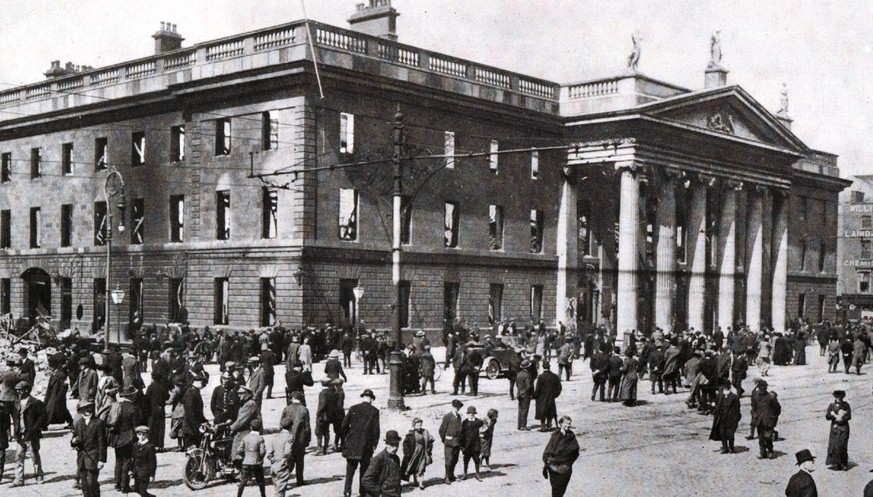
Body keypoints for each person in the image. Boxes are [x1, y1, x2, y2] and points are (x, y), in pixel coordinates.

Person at [341, 389, 380, 497]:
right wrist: (374, 446)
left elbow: (344, 425)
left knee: (350, 471)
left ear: (363, 397)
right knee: (364, 470)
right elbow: (376, 431)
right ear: (371, 399)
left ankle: (347, 491)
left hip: (352, 444)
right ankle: (362, 492)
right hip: (366, 446)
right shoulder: (374, 411)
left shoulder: (353, 408)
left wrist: (348, 438)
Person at [12, 381, 46, 487]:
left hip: (32, 435)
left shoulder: (36, 403)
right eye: (17, 389)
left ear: (26, 390)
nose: (18, 391)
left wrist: (35, 429)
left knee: (34, 455)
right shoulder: (16, 403)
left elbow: (43, 417)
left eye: (20, 389)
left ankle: (39, 475)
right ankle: (18, 479)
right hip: (20, 434)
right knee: (18, 456)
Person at [72, 401, 106, 497]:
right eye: (83, 409)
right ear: (80, 411)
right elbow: (74, 439)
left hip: (93, 457)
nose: (87, 411)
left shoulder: (98, 423)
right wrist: (73, 441)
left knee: (92, 483)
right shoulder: (79, 423)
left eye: (88, 408)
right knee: (84, 485)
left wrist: (101, 460)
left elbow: (102, 442)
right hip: (82, 458)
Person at [108, 385, 138, 492]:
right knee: (127, 461)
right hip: (127, 437)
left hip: (116, 437)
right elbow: (135, 426)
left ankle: (117, 482)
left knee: (118, 460)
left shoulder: (117, 406)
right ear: (131, 396)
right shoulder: (132, 408)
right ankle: (124, 485)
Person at [279, 390, 311, 487]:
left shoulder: (286, 409)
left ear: (292, 398)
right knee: (300, 461)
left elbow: (281, 424)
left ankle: (283, 480)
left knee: (288, 461)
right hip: (300, 440)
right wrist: (307, 439)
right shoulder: (304, 409)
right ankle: (300, 481)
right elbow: (307, 427)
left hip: (288, 438)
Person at [542, 415, 580, 497]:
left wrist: (568, 462)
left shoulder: (571, 435)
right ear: (561, 424)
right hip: (554, 466)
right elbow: (548, 449)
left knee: (562, 488)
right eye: (566, 423)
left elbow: (575, 451)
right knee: (555, 489)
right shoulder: (555, 435)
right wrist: (549, 460)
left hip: (565, 466)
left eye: (569, 424)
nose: (568, 425)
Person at [362, 430, 402, 497]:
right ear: (386, 444)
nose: (395, 448)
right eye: (392, 445)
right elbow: (366, 480)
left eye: (396, 444)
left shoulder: (396, 458)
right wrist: (379, 493)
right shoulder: (379, 459)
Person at [236, 418, 267, 497]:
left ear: (250, 427)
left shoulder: (245, 437)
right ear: (260, 428)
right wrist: (260, 458)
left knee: (243, 481)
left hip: (246, 462)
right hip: (256, 462)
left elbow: (239, 450)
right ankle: (263, 496)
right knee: (260, 481)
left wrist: (245, 456)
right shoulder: (260, 438)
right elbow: (262, 451)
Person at [400, 418, 434, 490]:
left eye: (420, 425)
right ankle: (415, 481)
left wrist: (429, 450)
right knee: (412, 467)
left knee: (421, 468)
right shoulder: (410, 434)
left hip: (422, 454)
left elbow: (430, 440)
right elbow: (405, 444)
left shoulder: (425, 432)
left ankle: (421, 484)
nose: (419, 427)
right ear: (414, 425)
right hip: (413, 454)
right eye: (417, 425)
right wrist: (407, 453)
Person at [709, 384, 742, 454]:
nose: (725, 390)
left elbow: (737, 409)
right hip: (721, 418)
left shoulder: (734, 397)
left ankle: (731, 447)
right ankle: (725, 447)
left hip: (730, 419)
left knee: (730, 434)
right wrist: (713, 408)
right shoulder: (720, 396)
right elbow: (714, 403)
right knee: (722, 433)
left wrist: (736, 418)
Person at [824, 389, 851, 471]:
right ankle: (837, 464)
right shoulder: (831, 405)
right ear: (834, 397)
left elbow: (849, 416)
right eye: (837, 396)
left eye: (840, 396)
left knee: (842, 445)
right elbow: (827, 416)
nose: (838, 398)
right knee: (834, 446)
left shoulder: (846, 405)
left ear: (843, 397)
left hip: (843, 428)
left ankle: (844, 464)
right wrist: (832, 416)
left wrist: (841, 419)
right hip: (834, 429)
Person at [439, 399, 464, 485]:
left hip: (457, 441)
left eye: (459, 407)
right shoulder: (447, 416)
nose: (457, 409)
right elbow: (442, 429)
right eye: (456, 407)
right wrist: (445, 439)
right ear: (453, 406)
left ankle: (451, 475)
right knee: (448, 459)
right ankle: (446, 477)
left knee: (455, 459)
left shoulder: (459, 417)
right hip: (449, 441)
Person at [267, 424, 294, 497]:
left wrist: (273, 459)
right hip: (282, 465)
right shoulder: (289, 437)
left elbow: (269, 454)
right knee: (280, 492)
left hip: (273, 466)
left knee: (277, 489)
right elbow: (287, 452)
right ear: (291, 426)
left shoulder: (275, 436)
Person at [535, 361, 562, 431]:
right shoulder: (554, 376)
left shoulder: (541, 377)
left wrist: (535, 396)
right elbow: (559, 387)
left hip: (542, 397)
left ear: (543, 367)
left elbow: (538, 388)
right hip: (551, 396)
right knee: (551, 410)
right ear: (549, 367)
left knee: (543, 411)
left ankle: (543, 426)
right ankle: (549, 425)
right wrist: (555, 395)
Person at [459, 406, 484, 481]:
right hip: (467, 446)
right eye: (470, 413)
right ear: (468, 414)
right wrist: (462, 446)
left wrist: (482, 434)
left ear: (475, 414)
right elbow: (462, 435)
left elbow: (485, 428)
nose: (471, 414)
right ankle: (465, 474)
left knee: (477, 460)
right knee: (466, 460)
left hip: (476, 445)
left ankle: (478, 474)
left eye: (473, 413)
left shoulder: (479, 422)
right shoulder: (464, 422)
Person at [132, 426, 157, 497]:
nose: (141, 437)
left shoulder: (150, 447)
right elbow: (134, 459)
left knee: (142, 491)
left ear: (147, 435)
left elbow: (153, 462)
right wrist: (131, 470)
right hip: (136, 472)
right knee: (137, 489)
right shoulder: (135, 445)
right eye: (139, 435)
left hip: (145, 472)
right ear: (137, 435)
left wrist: (152, 474)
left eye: (144, 434)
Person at [758, 387, 782, 460]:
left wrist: (773, 417)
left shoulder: (771, 398)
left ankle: (770, 451)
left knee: (768, 437)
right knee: (761, 438)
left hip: (769, 421)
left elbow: (778, 409)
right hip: (759, 421)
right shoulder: (758, 397)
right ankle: (763, 454)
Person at [516, 359, 534, 430]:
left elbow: (517, 384)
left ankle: (519, 425)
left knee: (520, 410)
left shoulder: (519, 374)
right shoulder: (527, 375)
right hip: (525, 394)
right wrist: (531, 393)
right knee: (525, 410)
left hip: (519, 393)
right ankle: (523, 425)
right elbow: (528, 386)